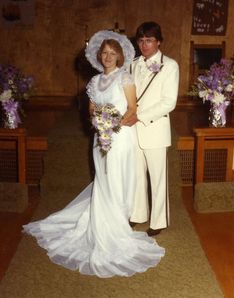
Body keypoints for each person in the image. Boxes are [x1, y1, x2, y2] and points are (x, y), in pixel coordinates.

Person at [23, 30, 165, 278]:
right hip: (101, 137)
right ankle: (102, 223)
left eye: (112, 53)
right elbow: (91, 109)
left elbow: (132, 109)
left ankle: (117, 224)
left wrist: (114, 125)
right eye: (105, 53)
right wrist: (99, 123)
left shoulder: (125, 79)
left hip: (120, 137)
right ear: (99, 56)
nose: (108, 57)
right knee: (103, 179)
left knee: (117, 179)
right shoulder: (94, 82)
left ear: (119, 57)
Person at [124, 22, 179, 236]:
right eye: (141, 40)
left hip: (154, 129)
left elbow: (168, 102)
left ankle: (159, 221)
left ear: (159, 42)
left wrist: (140, 117)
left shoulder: (170, 65)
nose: (144, 45)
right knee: (136, 176)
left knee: (158, 178)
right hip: (133, 130)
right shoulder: (133, 64)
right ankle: (138, 215)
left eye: (149, 40)